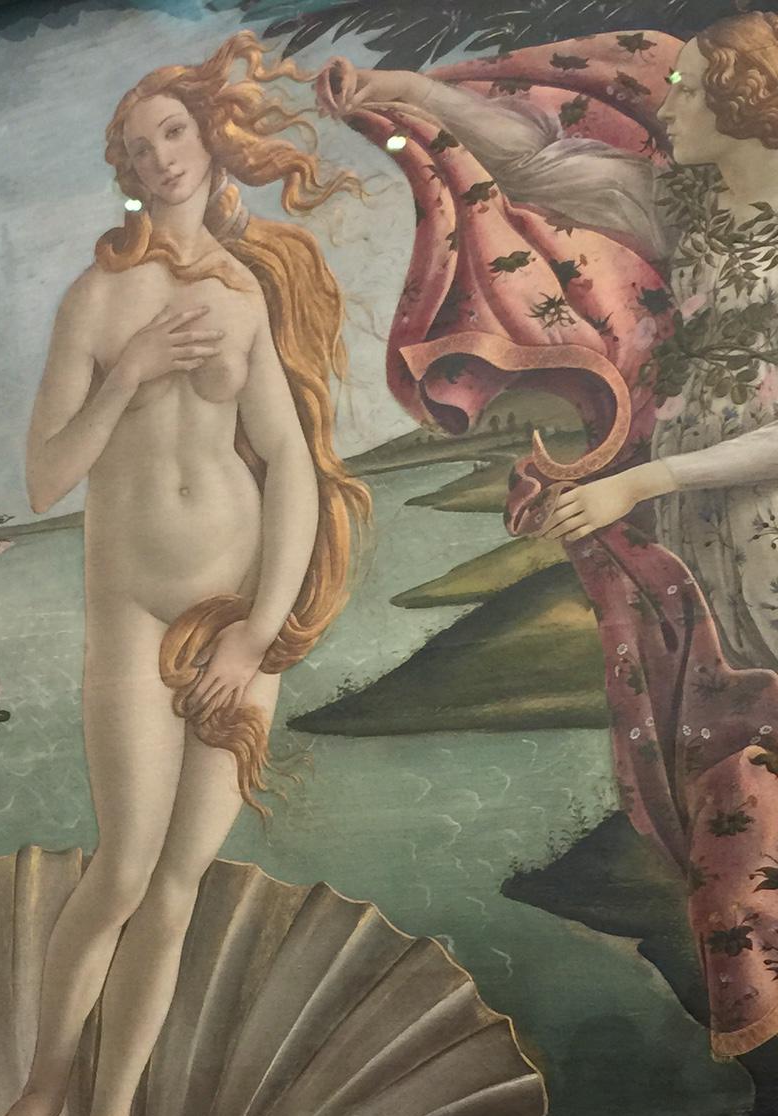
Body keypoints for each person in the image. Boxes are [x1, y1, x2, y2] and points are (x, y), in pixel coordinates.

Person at [0, 32, 370, 1116]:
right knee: (124, 867)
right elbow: (45, 476)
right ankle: (43, 1086)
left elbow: (288, 469)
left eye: (173, 132)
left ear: (207, 140)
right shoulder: (97, 300)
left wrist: (258, 633)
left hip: (233, 614)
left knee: (181, 883)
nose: (160, 157)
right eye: (137, 147)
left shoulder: (243, 292)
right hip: (133, 610)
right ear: (126, 172)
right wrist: (130, 367)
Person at [317, 13, 778, 674]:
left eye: (693, 91)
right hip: (691, 505)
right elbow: (532, 164)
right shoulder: (684, 206)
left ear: (747, 101)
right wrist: (400, 88)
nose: (667, 108)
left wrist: (643, 481)